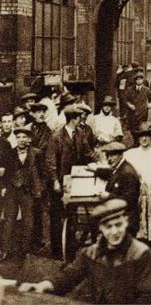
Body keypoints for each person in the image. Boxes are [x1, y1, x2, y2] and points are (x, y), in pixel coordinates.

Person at [19, 198, 151, 303]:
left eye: (118, 225)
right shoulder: (91, 253)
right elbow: (69, 276)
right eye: (108, 227)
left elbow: (147, 297)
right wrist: (44, 285)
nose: (115, 231)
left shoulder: (141, 253)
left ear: (126, 222)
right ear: (100, 228)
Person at [45, 104, 95, 256]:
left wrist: (96, 161)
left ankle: (70, 248)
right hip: (59, 180)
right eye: (79, 117)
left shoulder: (80, 133)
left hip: (74, 180)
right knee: (57, 216)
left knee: (72, 214)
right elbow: (50, 161)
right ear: (73, 119)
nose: (82, 120)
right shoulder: (56, 137)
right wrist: (54, 181)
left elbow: (87, 153)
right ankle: (57, 251)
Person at [123, 121, 151, 261]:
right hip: (137, 198)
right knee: (139, 230)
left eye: (147, 136)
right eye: (141, 136)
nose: (144, 139)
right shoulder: (130, 154)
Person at [0, 124, 42, 261]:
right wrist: (3, 187)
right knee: (9, 220)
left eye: (24, 137)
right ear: (16, 139)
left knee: (28, 221)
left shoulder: (36, 153)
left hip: (27, 191)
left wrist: (38, 188)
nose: (21, 140)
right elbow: (4, 173)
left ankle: (25, 251)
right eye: (18, 137)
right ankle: (5, 250)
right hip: (12, 190)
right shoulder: (9, 153)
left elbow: (42, 173)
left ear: (29, 139)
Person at [102, 141, 140, 237]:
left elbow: (129, 200)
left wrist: (108, 196)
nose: (109, 159)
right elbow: (110, 173)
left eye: (112, 156)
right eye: (107, 156)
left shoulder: (127, 173)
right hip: (121, 220)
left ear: (120, 155)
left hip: (127, 222)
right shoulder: (120, 168)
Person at [29, 101, 52, 255]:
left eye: (43, 112)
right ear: (33, 114)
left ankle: (45, 242)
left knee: (43, 208)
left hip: (42, 173)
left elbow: (44, 152)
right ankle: (32, 241)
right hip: (28, 174)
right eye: (38, 112)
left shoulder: (48, 131)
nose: (41, 114)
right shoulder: (29, 129)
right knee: (30, 209)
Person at [123, 70, 151, 135]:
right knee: (133, 129)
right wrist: (129, 104)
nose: (139, 81)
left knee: (142, 129)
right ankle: (135, 142)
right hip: (132, 113)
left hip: (143, 112)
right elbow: (125, 99)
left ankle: (140, 142)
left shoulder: (147, 90)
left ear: (143, 80)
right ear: (135, 80)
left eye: (140, 79)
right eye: (137, 79)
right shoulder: (130, 89)